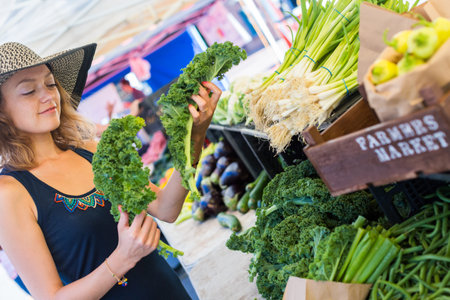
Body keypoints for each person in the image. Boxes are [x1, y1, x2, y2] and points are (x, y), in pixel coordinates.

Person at [0, 42, 221, 299]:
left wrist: (194, 136)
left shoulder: (91, 150)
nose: (48, 96)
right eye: (28, 91)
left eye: (50, 84)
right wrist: (122, 259)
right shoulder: (9, 193)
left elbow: (166, 208)